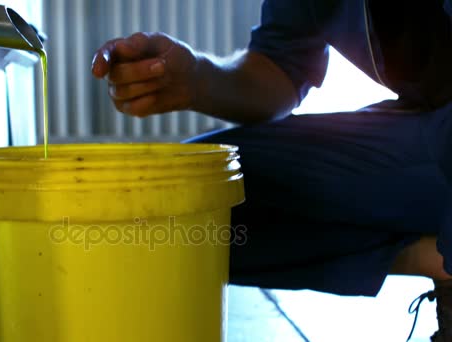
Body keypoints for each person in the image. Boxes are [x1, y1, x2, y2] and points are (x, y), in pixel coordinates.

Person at [91, 0, 452, 340]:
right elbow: (282, 67)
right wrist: (196, 80)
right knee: (182, 203)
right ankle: (431, 256)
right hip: (423, 127)